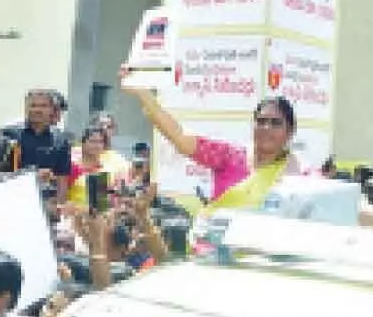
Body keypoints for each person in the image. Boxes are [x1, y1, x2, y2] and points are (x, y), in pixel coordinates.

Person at [122, 68, 300, 213]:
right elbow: (179, 137)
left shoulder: (298, 174)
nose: (266, 128)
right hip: (216, 251)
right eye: (261, 121)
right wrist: (143, 93)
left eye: (275, 123)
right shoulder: (230, 156)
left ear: (290, 131)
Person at [1, 91, 75, 201]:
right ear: (26, 109)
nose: (38, 110)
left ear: (51, 110)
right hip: (14, 199)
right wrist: (33, 177)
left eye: (43, 106)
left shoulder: (61, 140)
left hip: (47, 203)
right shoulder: (9, 134)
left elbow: (62, 179)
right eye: (33, 105)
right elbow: (0, 176)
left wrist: (59, 206)